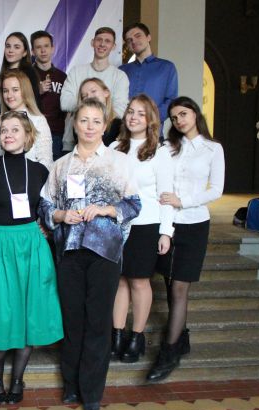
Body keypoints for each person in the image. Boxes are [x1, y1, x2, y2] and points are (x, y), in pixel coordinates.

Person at [40, 98, 141, 410]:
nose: (89, 126)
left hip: (105, 253)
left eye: (96, 121)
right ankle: (71, 384)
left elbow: (134, 205)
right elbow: (45, 206)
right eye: (84, 120)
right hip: (70, 253)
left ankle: (92, 392)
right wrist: (61, 215)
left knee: (98, 322)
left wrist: (106, 209)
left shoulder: (118, 162)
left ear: (105, 125)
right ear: (74, 123)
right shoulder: (61, 165)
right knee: (73, 320)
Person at [0, 110, 63, 405]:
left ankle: (18, 380)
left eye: (15, 130)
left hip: (31, 245)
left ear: (27, 135)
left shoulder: (40, 171)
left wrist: (46, 225)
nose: (8, 135)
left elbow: (51, 204)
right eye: (4, 130)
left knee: (28, 312)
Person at [150, 96, 225, 383]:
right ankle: (182, 337)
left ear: (195, 113)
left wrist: (183, 200)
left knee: (180, 287)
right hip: (168, 224)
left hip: (194, 224)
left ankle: (168, 352)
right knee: (170, 284)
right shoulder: (167, 148)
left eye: (183, 114)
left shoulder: (212, 148)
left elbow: (216, 189)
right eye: (174, 117)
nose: (179, 120)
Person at [109, 94, 175, 364]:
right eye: (130, 112)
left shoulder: (160, 152)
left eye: (140, 113)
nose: (133, 117)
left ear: (150, 120)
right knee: (119, 280)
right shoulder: (114, 147)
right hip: (116, 224)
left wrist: (166, 231)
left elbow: (166, 194)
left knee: (138, 280)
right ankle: (116, 334)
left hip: (146, 224)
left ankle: (137, 337)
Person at [0, 69, 54, 171]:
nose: (9, 95)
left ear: (25, 91)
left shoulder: (38, 120)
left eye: (15, 90)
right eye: (5, 91)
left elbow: (46, 162)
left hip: (29, 179)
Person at [60, 27, 129, 118]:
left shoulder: (120, 76)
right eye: (99, 40)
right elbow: (65, 103)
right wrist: (99, 103)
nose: (102, 44)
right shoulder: (76, 71)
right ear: (92, 43)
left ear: (113, 46)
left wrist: (85, 101)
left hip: (107, 127)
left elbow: (120, 110)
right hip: (75, 127)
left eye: (107, 41)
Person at [119, 23, 178, 124]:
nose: (133, 41)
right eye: (129, 40)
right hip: (125, 129)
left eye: (138, 36)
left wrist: (150, 119)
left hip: (153, 129)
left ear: (148, 37)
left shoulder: (166, 67)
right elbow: (117, 101)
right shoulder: (122, 70)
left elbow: (171, 101)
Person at [30, 30, 67, 160]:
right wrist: (37, 91)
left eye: (46, 46)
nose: (43, 50)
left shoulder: (62, 76)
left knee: (54, 167)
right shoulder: (27, 75)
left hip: (55, 133)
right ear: (32, 51)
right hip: (32, 131)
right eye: (38, 47)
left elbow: (67, 108)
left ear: (52, 49)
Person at [62, 77, 122, 152]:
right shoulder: (79, 124)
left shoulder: (120, 125)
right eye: (84, 96)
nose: (89, 97)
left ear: (106, 92)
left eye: (93, 91)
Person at [0, 32, 42, 111]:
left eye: (16, 47)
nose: (10, 50)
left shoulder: (30, 74)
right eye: (8, 46)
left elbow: (35, 104)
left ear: (24, 52)